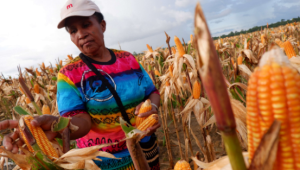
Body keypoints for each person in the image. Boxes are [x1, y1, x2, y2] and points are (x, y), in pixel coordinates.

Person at [1, 0, 161, 169]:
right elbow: (82, 122)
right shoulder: (69, 74)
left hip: (146, 150)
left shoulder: (128, 59)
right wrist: (58, 125)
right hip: (102, 162)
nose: (80, 34)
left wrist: (153, 109)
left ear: (102, 25)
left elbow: (152, 92)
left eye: (86, 25)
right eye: (73, 31)